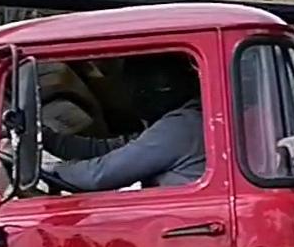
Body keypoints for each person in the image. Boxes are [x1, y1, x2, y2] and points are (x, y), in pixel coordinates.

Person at [44, 57, 205, 191]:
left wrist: (50, 169)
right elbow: (110, 149)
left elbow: (99, 175)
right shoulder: (186, 120)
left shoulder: (181, 127)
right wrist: (47, 138)